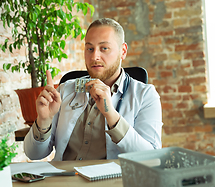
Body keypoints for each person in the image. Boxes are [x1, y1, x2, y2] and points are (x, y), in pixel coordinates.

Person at [24, 18, 162, 161]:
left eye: (104, 48)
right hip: (64, 179)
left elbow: (151, 158)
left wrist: (111, 115)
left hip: (111, 181)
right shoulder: (65, 90)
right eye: (90, 49)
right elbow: (33, 154)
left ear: (123, 51)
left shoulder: (145, 95)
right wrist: (44, 120)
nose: (94, 56)